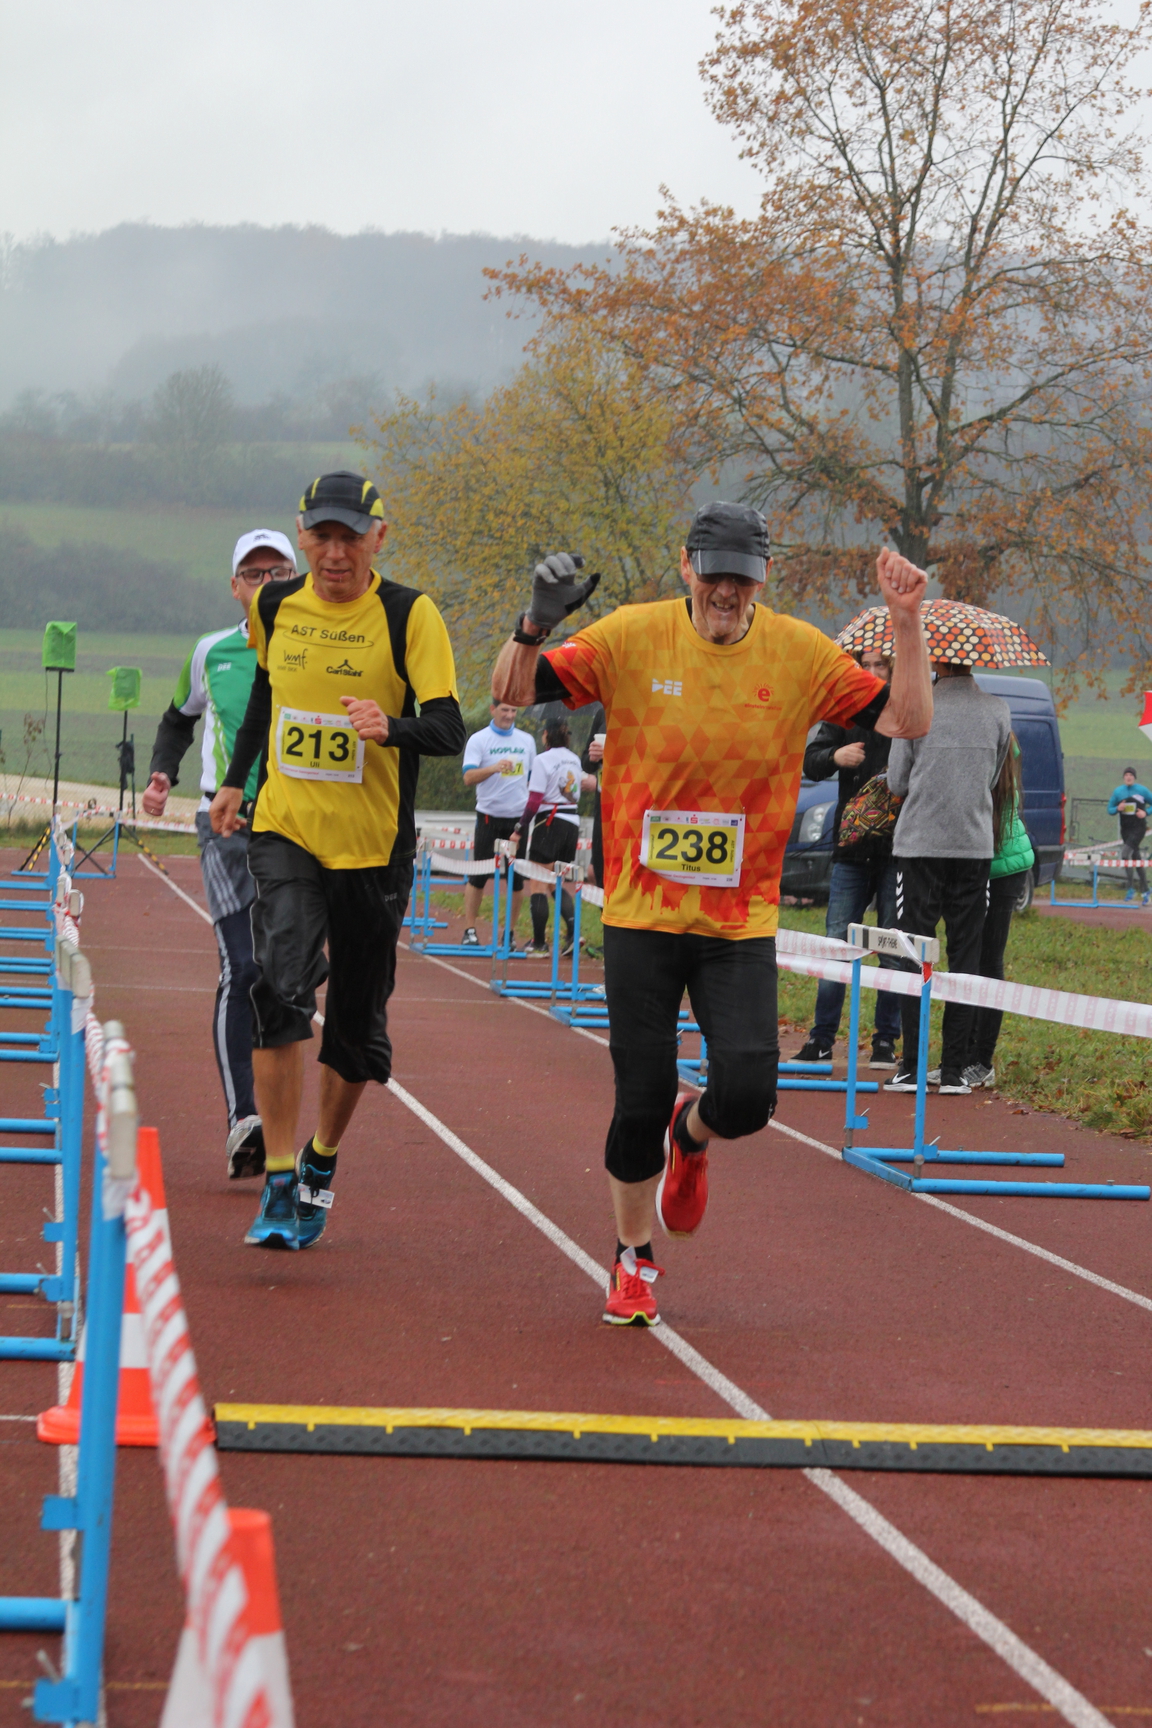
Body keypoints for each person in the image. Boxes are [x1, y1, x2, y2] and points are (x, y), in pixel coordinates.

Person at [491, 505, 933, 1326]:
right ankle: (632, 1259)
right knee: (638, 1095)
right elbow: (510, 691)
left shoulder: (800, 653)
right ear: (687, 566)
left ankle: (690, 1137)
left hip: (738, 922)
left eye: (743, 577)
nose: (728, 590)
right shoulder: (633, 635)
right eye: (716, 573)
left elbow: (907, 721)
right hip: (641, 915)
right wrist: (534, 625)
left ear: (762, 580)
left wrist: (906, 622)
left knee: (750, 1095)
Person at [209, 470, 465, 1251]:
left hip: (373, 851)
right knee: (277, 984)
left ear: (378, 537)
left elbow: (449, 727)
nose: (334, 553)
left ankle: (321, 1156)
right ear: (302, 535)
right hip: (286, 829)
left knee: (355, 1029)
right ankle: (278, 1177)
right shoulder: (274, 605)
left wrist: (392, 727)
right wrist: (235, 780)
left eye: (349, 537)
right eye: (320, 536)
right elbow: (266, 695)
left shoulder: (410, 614)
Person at [142, 528, 299, 1179]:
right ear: (235, 587)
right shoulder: (211, 651)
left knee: (285, 975)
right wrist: (162, 773)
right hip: (227, 824)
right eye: (253, 574)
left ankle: (279, 1118)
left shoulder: (322, 651)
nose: (266, 584)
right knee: (243, 965)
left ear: (297, 579)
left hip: (299, 829)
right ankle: (244, 1119)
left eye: (277, 572)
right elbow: (178, 718)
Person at [884, 660, 1011, 1096]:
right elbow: (992, 777)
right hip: (973, 845)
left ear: (936, 660)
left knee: (913, 952)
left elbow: (897, 781)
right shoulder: (997, 710)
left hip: (920, 844)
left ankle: (912, 1065)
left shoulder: (913, 707)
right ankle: (954, 1069)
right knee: (966, 954)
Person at [795, 647, 901, 1069]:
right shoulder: (842, 710)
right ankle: (821, 1038)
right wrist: (835, 757)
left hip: (896, 849)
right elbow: (810, 761)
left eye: (880, 665)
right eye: (865, 665)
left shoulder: (905, 711)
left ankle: (885, 1041)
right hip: (851, 848)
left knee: (893, 945)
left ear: (893, 669)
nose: (872, 672)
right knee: (835, 941)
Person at [960, 737, 1035, 1088]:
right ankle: (962, 1056)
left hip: (1001, 867)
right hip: (983, 864)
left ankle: (981, 1060)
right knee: (969, 961)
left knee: (988, 962)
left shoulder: (997, 748)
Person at [460, 700, 535, 946]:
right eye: (505, 710)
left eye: (513, 711)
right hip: (488, 817)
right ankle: (470, 930)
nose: (510, 715)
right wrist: (493, 768)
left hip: (517, 821)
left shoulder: (527, 740)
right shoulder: (479, 739)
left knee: (516, 879)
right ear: (492, 710)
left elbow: (532, 780)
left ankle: (509, 934)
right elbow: (468, 777)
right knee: (479, 875)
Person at [518, 717, 595, 956]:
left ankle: (539, 942)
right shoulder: (573, 759)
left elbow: (534, 801)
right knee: (554, 882)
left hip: (550, 822)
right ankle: (573, 933)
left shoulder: (542, 760)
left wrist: (519, 828)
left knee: (537, 882)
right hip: (571, 823)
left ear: (546, 735)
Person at [1107, 768, 1151, 904]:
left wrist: (1146, 813)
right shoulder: (1118, 792)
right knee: (1136, 858)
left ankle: (1130, 888)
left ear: (1134, 777)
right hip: (1125, 830)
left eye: (1131, 775)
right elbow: (1109, 809)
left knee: (1125, 854)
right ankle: (1146, 890)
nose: (1128, 777)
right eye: (1126, 775)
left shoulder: (1142, 790)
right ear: (1123, 777)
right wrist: (1117, 808)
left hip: (1139, 828)